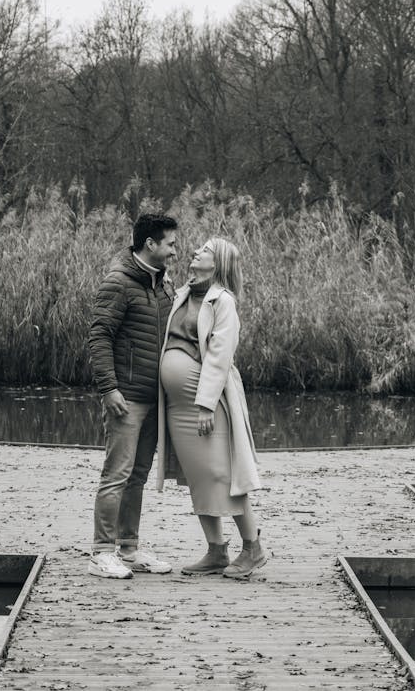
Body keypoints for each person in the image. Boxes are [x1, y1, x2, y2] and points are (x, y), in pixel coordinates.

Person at [157, 237, 267, 579]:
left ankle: (252, 548)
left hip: (206, 400)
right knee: (197, 475)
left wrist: (205, 405)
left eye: (204, 250)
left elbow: (220, 356)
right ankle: (217, 550)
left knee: (221, 473)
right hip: (176, 403)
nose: (195, 252)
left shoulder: (224, 302)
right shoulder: (182, 293)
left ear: (217, 262)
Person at [88, 213, 178, 578]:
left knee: (137, 476)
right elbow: (99, 337)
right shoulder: (119, 283)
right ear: (150, 244)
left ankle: (128, 548)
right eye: (170, 244)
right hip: (126, 398)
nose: (175, 250)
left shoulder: (161, 284)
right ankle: (101, 553)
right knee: (116, 475)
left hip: (154, 398)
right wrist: (109, 389)